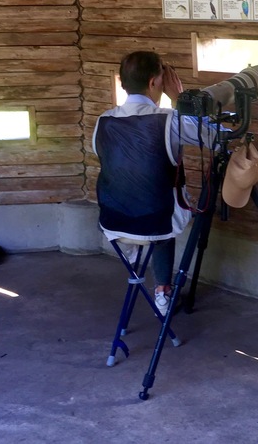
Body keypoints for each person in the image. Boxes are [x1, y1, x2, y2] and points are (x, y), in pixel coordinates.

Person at [92, 50, 220, 315]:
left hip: (113, 221)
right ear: (154, 82)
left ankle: (138, 260)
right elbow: (215, 138)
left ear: (123, 83)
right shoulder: (169, 120)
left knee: (148, 198)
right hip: (156, 222)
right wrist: (180, 99)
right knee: (165, 210)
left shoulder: (103, 121)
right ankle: (163, 291)